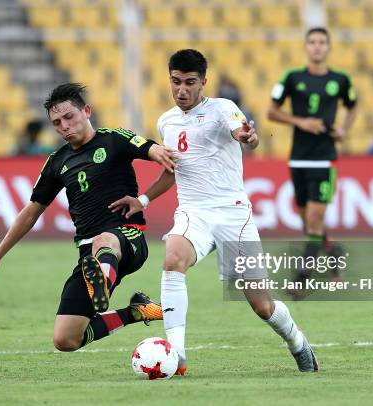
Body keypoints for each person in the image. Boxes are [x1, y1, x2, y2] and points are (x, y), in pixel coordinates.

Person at [110, 50, 318, 374]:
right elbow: (171, 170)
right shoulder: (166, 121)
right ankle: (176, 354)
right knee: (173, 258)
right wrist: (143, 200)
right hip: (194, 212)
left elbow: (243, 133)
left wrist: (248, 136)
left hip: (234, 215)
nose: (182, 90)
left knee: (262, 305)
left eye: (190, 83)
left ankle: (297, 342)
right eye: (176, 82)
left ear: (203, 82)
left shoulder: (224, 109)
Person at [0, 83, 177, 352]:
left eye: (69, 117)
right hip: (89, 255)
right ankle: (136, 311)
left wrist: (144, 196)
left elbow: (153, 152)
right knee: (66, 339)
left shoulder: (114, 139)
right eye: (57, 123)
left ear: (87, 111)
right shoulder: (57, 161)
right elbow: (31, 212)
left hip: (127, 238)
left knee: (104, 240)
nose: (64, 126)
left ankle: (102, 281)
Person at [266, 27, 357, 294]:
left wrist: (344, 130)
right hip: (299, 159)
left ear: (328, 48)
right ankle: (335, 256)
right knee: (309, 223)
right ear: (306, 47)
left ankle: (301, 280)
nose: (317, 47)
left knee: (315, 220)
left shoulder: (341, 79)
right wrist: (300, 121)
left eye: (322, 42)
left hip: (325, 158)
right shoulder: (292, 78)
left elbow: (352, 106)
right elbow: (271, 111)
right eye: (313, 42)